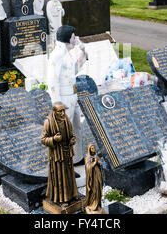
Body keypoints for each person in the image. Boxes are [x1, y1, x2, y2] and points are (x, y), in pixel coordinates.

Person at [47, 25, 87, 164]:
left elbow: (74, 70)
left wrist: (83, 51)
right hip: (63, 98)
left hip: (72, 96)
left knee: (76, 128)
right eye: (73, 37)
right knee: (64, 133)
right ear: (66, 38)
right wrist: (57, 102)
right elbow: (52, 79)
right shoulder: (57, 55)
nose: (75, 39)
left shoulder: (67, 53)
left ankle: (77, 158)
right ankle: (65, 164)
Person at [41, 102, 79, 205]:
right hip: (57, 154)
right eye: (59, 111)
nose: (62, 113)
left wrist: (72, 140)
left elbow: (72, 134)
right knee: (59, 176)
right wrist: (54, 139)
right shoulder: (48, 122)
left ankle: (72, 194)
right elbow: (43, 139)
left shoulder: (66, 119)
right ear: (54, 111)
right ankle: (62, 199)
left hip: (67, 152)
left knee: (69, 174)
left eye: (63, 110)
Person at [84, 144, 105, 214]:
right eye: (92, 148)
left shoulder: (96, 156)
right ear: (89, 149)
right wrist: (94, 163)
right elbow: (88, 168)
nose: (94, 149)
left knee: (98, 190)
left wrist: (99, 163)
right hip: (92, 178)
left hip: (98, 176)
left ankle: (97, 204)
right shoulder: (87, 158)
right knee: (94, 191)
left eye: (94, 148)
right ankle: (92, 205)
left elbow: (101, 164)